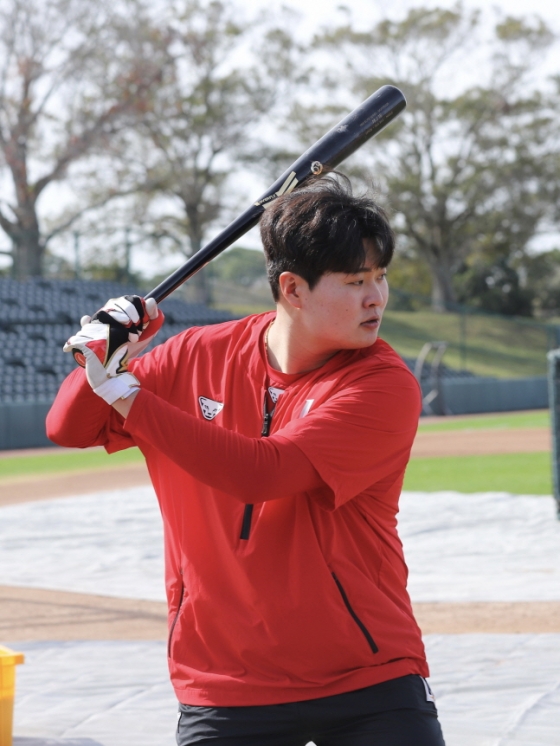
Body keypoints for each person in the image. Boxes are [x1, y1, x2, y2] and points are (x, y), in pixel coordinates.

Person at [47, 175, 446, 746]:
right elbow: (67, 427)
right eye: (357, 280)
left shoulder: (384, 383)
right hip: (225, 681)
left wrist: (125, 392)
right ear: (293, 289)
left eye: (381, 277)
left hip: (367, 679)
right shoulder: (195, 355)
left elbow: (264, 472)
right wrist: (109, 349)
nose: (376, 297)